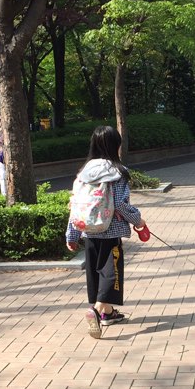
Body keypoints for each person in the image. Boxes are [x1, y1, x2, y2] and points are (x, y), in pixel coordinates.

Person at [66, 125, 147, 339]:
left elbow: (75, 205)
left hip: (88, 231)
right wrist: (138, 220)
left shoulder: (83, 173)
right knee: (111, 273)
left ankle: (108, 313)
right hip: (111, 231)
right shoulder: (118, 172)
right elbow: (119, 204)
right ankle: (96, 310)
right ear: (115, 146)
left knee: (95, 273)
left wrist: (72, 235)